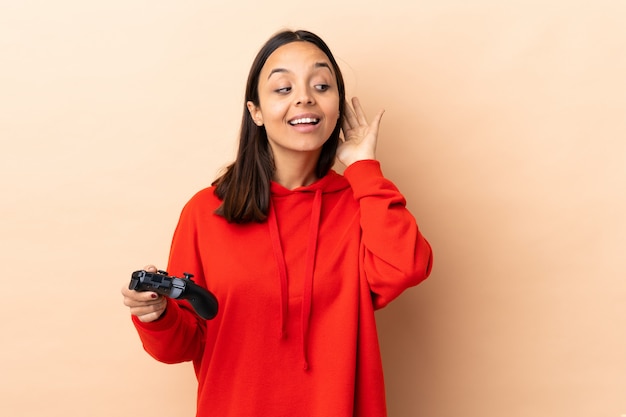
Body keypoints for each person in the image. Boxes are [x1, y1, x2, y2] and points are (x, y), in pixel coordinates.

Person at [121, 29, 433, 417]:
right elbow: (181, 346)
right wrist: (157, 316)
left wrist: (364, 169)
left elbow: (406, 267)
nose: (304, 96)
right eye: (283, 88)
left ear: (336, 107)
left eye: (321, 85)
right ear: (255, 112)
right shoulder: (205, 212)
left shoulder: (362, 203)